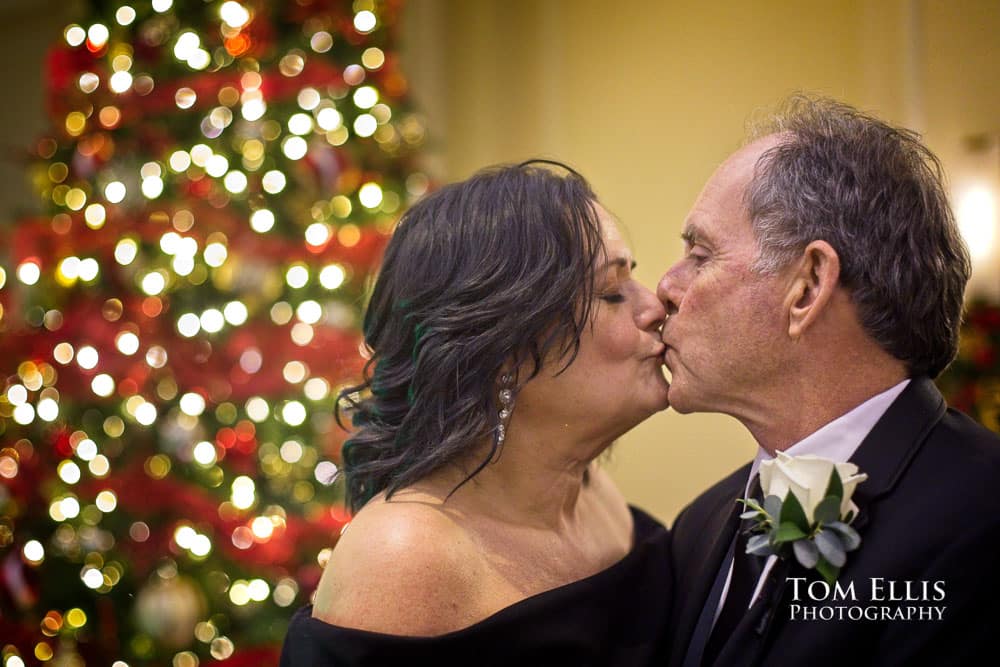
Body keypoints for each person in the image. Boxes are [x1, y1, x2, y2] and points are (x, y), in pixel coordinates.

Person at [280, 161, 673, 666]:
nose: (656, 308)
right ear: (502, 349)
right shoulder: (406, 554)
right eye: (612, 293)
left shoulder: (592, 492)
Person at [660, 95, 1000, 667]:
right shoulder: (700, 525)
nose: (666, 288)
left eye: (700, 254)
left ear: (809, 284)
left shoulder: (984, 516)